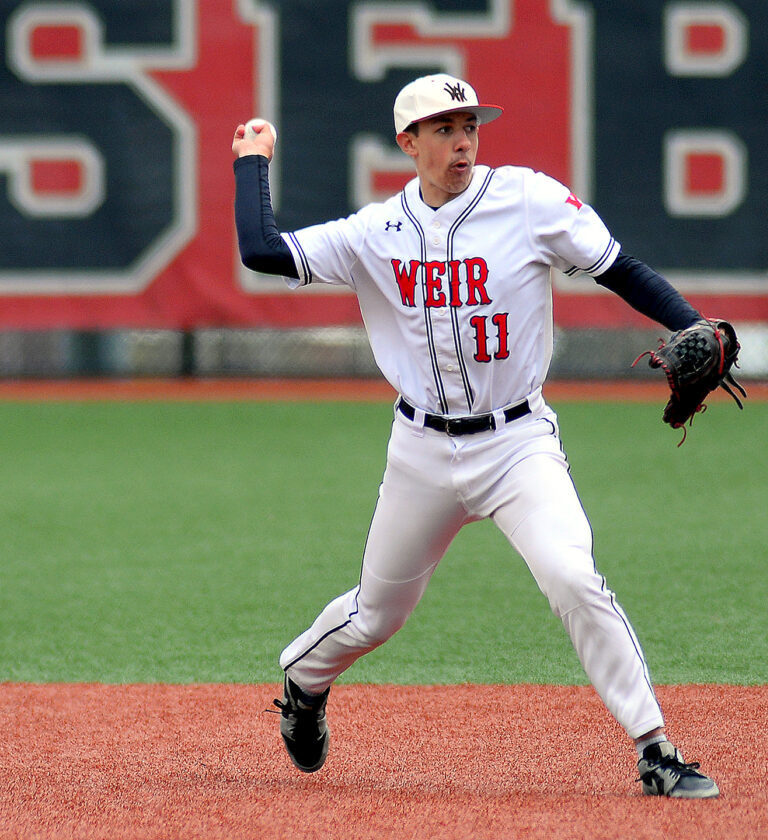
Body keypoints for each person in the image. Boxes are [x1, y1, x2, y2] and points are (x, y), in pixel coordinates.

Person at [231, 73, 720, 798]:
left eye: (470, 127)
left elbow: (620, 268)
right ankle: (303, 683)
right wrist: (252, 164)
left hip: (517, 444)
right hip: (421, 453)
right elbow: (262, 250)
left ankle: (655, 748)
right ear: (408, 143)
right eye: (444, 129)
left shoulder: (527, 199)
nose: (463, 142)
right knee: (376, 615)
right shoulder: (375, 232)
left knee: (572, 576)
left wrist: (691, 323)